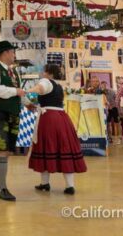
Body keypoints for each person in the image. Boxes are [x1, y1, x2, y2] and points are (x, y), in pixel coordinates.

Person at [0, 40, 30, 202]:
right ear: (5, 53)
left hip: (13, 114)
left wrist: (28, 103)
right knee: (2, 150)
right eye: (12, 52)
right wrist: (15, 91)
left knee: (7, 151)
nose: (14, 55)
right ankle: (2, 187)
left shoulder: (12, 71)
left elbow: (19, 93)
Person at [28, 64, 86, 194]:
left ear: (48, 73)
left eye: (44, 71)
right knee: (64, 148)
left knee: (45, 147)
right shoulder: (59, 86)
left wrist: (27, 91)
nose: (42, 73)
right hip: (62, 118)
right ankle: (69, 185)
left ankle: (45, 183)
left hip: (49, 119)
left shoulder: (45, 81)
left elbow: (41, 88)